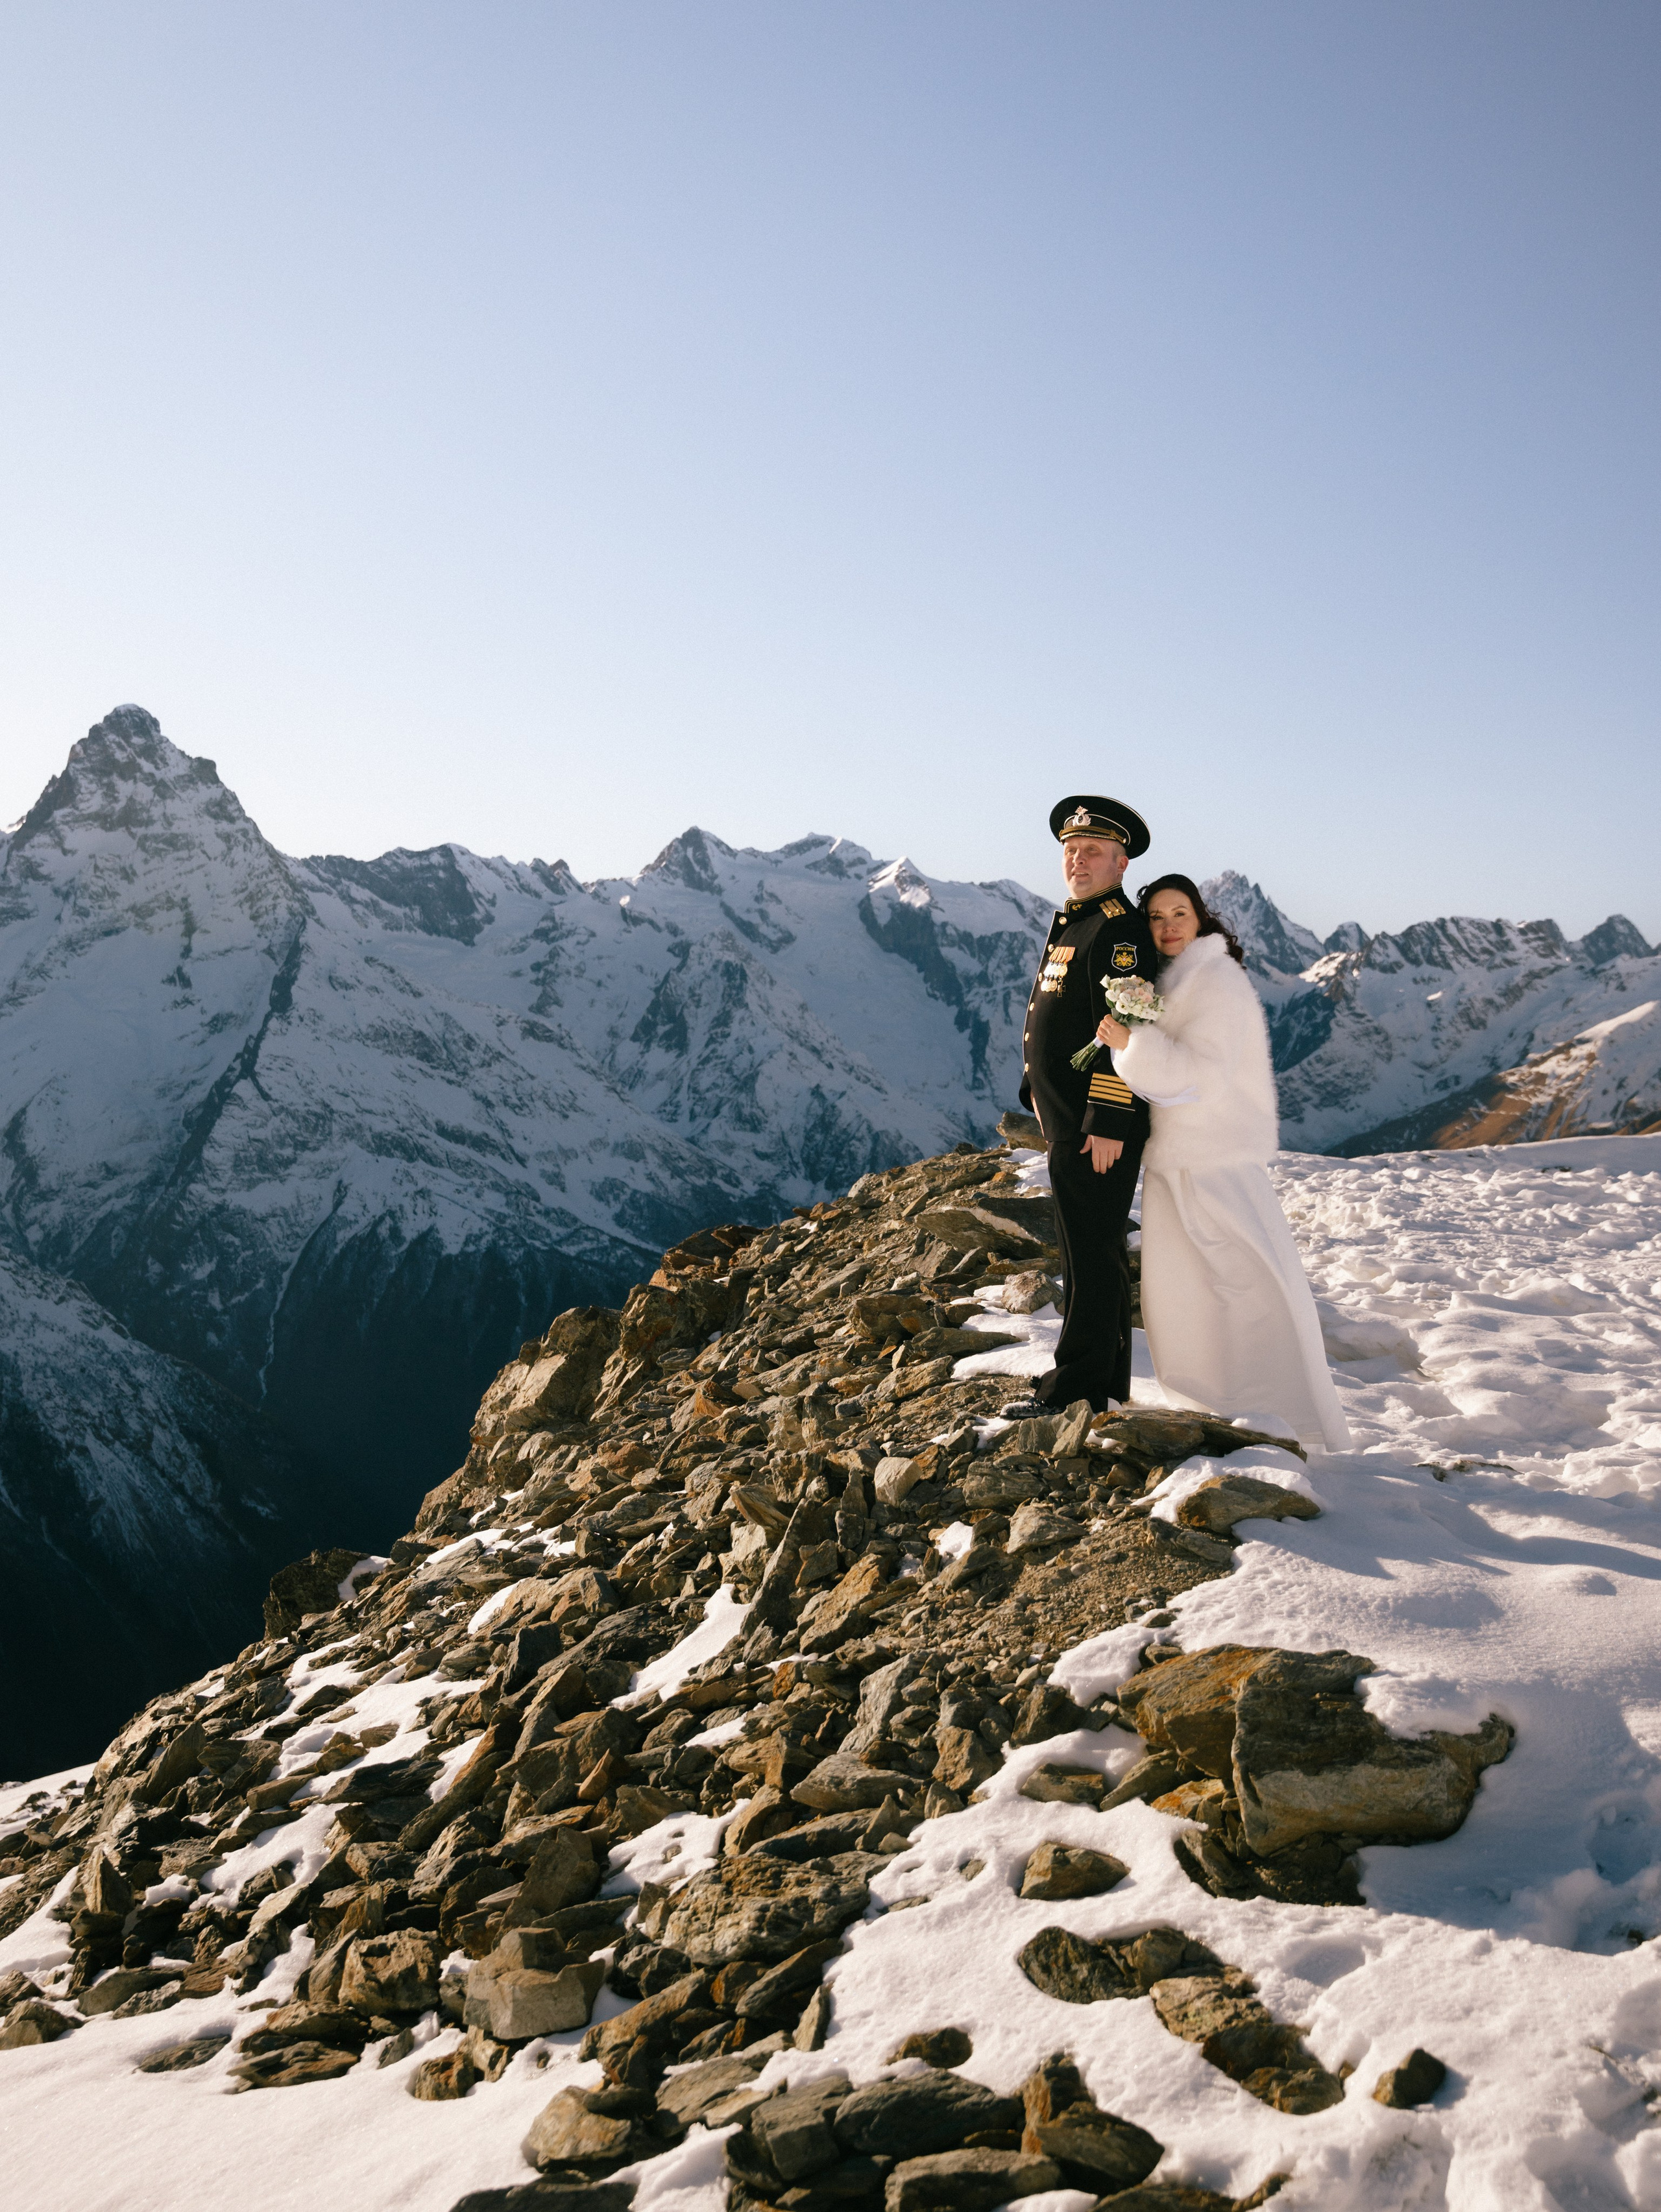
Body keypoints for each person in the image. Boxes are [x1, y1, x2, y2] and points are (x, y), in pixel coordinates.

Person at [1093, 872, 1352, 1453]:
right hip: (1184, 1155)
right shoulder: (1178, 977)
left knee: (1238, 1282)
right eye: (1156, 917)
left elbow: (1203, 1075)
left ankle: (1274, 1411)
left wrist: (1131, 1044)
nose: (1167, 927)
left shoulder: (1216, 981)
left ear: (1201, 918)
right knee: (1195, 1286)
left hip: (1211, 1157)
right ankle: (1221, 1402)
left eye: (1179, 914)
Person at [1004, 795, 1159, 1417]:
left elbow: (1129, 1023)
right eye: (1071, 850)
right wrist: (1036, 1093)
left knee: (1092, 1256)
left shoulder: (1120, 928)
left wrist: (1109, 1119)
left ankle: (1078, 1388)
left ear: (1122, 864)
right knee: (1086, 1250)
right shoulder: (1078, 921)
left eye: (1093, 851)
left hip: (1098, 1125)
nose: (1078, 860)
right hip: (1069, 1117)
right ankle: (1101, 1383)